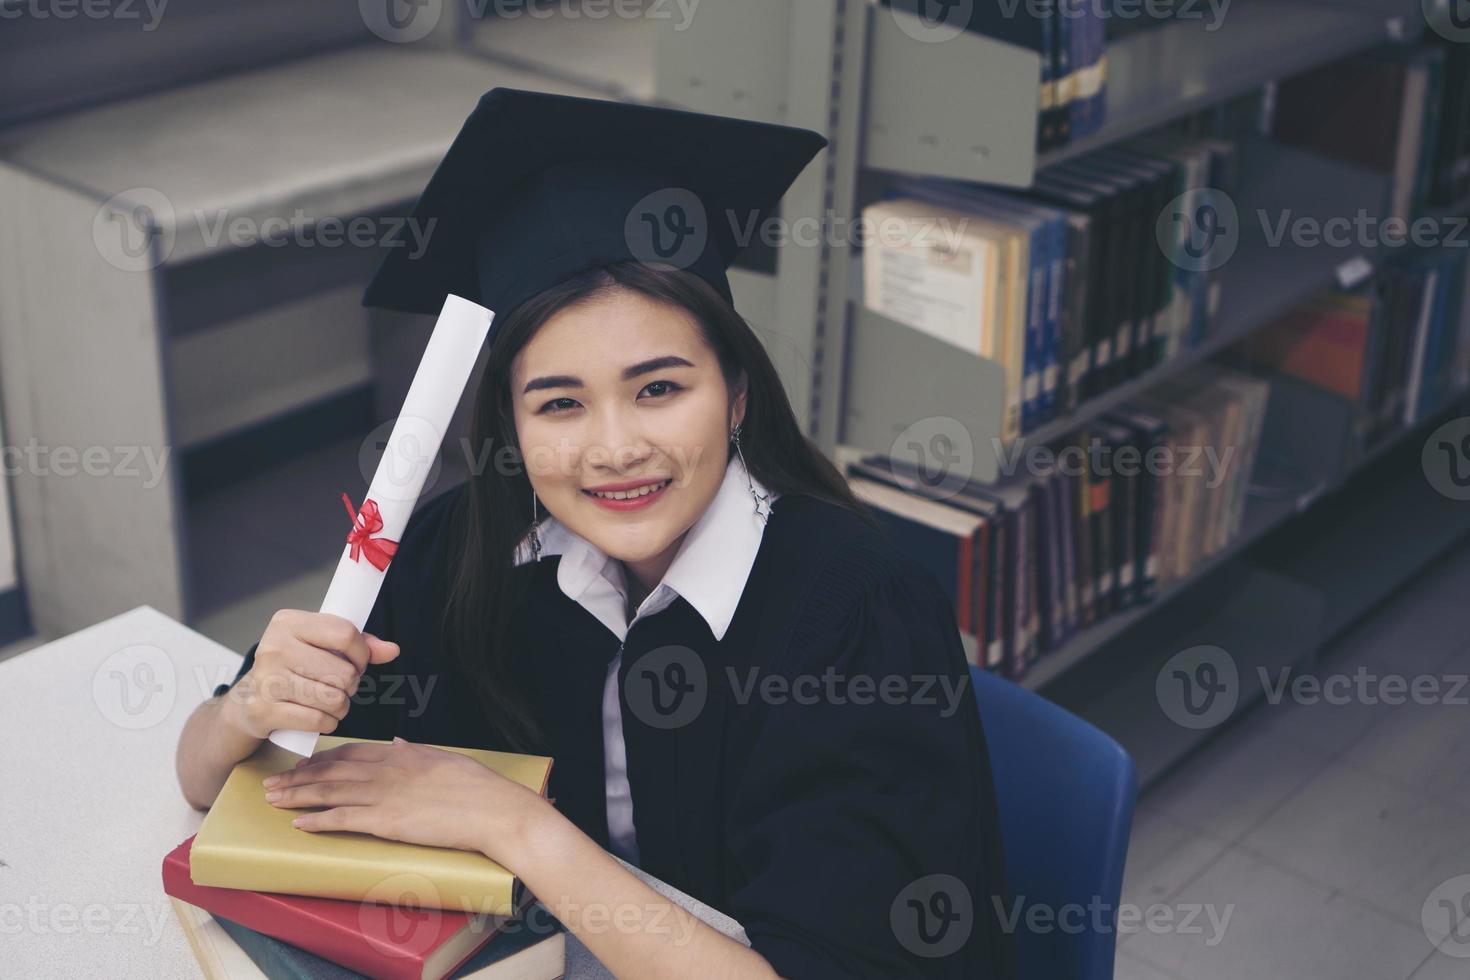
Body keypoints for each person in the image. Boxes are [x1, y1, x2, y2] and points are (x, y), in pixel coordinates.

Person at [176, 88, 1017, 979]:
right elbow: (209, 781)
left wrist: (508, 820)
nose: (615, 449)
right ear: (510, 425)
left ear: (735, 395)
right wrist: (247, 708)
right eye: (560, 404)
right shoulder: (463, 548)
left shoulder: (857, 614)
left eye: (659, 389)